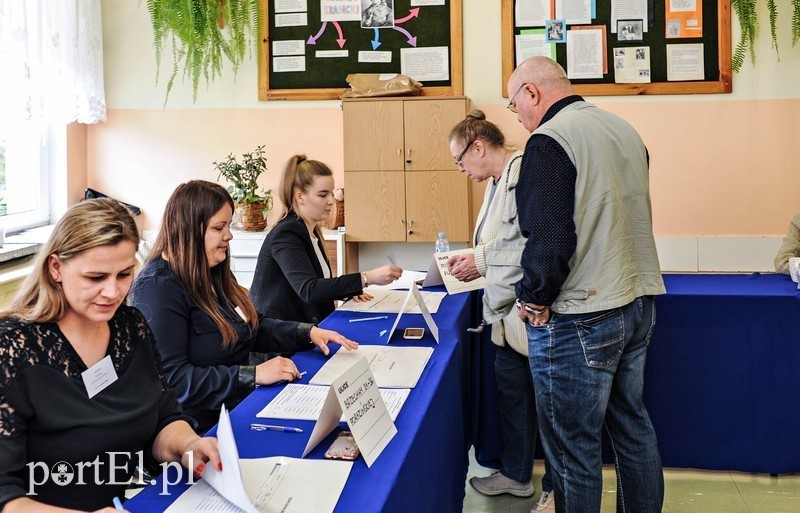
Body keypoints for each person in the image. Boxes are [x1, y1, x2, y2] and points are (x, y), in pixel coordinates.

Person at [508, 56, 666, 513]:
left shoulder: (549, 140)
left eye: (514, 103)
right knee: (633, 429)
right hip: (637, 301)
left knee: (574, 451)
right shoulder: (623, 130)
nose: (516, 115)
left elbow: (551, 236)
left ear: (532, 93)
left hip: (581, 315)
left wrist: (534, 298)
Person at [0, 199, 220, 512]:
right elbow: (5, 497)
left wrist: (188, 444)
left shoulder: (131, 327)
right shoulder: (13, 348)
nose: (113, 292)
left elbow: (163, 418)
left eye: (124, 274)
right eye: (96, 277)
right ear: (56, 268)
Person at [129, 180, 357, 434]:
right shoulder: (158, 288)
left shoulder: (213, 271)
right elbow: (175, 381)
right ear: (189, 230)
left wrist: (308, 332)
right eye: (219, 227)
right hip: (198, 429)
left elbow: (251, 327)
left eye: (228, 225)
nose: (229, 235)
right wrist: (253, 374)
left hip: (238, 406)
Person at [446, 111, 555, 513]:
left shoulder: (526, 170)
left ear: (478, 146)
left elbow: (534, 241)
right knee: (513, 396)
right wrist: (474, 257)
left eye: (460, 160)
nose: (461, 170)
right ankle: (515, 474)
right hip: (504, 316)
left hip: (532, 309)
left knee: (549, 406)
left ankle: (556, 490)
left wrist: (481, 258)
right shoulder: (496, 181)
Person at [249, 155, 402, 324]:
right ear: (300, 197)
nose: (331, 201)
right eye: (323, 195)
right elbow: (308, 289)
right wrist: (367, 278)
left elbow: (318, 285)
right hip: (280, 341)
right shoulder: (286, 234)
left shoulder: (311, 231)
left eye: (331, 193)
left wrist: (345, 290)